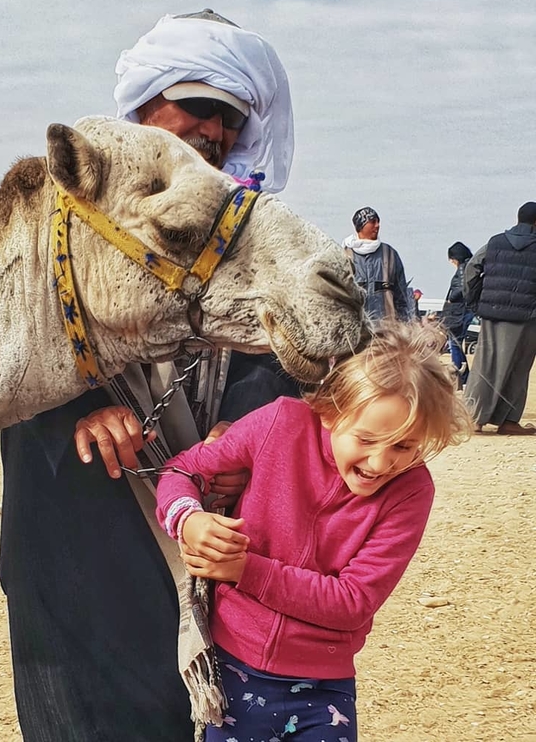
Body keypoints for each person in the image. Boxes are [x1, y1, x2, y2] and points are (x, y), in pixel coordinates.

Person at [0, 9, 300, 742]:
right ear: (145, 105)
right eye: (198, 107)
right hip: (79, 509)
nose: (215, 132)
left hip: (209, 512)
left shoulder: (249, 231)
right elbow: (6, 345)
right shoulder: (54, 217)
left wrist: (250, 423)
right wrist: (78, 410)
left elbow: (278, 348)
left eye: (229, 118)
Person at [155, 321, 472, 741]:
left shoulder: (411, 491)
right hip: (230, 672)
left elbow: (353, 601)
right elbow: (182, 469)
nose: (380, 464)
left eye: (404, 446)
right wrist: (188, 519)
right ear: (330, 411)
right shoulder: (280, 423)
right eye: (366, 439)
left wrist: (245, 570)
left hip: (325, 692)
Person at [463, 201, 536, 435]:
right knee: (518, 367)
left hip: (492, 312)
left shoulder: (495, 242)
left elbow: (472, 269)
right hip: (527, 315)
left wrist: (475, 301)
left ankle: (474, 418)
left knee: (485, 364)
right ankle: (508, 421)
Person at [343, 206, 412, 323]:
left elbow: (401, 295)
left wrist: (405, 323)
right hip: (356, 329)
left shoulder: (390, 254)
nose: (377, 225)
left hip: (387, 330)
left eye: (378, 221)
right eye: (373, 222)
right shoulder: (345, 256)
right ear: (361, 225)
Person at [441, 241, 474, 388]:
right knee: (456, 344)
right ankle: (466, 377)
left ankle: (459, 376)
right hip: (463, 311)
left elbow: (461, 288)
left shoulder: (462, 269)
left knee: (454, 344)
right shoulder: (469, 266)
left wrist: (451, 298)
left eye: (451, 259)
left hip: (458, 312)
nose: (451, 262)